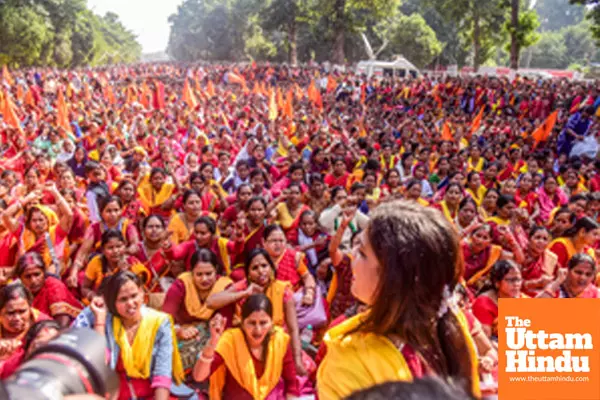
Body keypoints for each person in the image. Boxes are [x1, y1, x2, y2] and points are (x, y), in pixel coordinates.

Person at [317, 201, 480, 399]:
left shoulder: (350, 356)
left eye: (362, 253)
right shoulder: (453, 324)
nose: (352, 257)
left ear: (393, 278)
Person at [72, 271, 185, 400]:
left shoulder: (159, 323)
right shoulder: (108, 322)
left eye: (134, 296)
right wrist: (100, 320)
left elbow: (162, 373)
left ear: (142, 294)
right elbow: (101, 364)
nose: (131, 303)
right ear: (112, 303)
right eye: (123, 299)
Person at [193, 294, 300, 399]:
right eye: (252, 323)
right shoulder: (230, 341)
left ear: (271, 322)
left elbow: (291, 383)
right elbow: (199, 376)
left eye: (263, 323)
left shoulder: (279, 340)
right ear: (242, 322)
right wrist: (213, 342)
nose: (258, 330)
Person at [162, 249, 233, 371]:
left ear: (216, 270)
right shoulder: (182, 284)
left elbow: (226, 324)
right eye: (199, 274)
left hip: (211, 338)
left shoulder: (225, 287)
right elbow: (164, 320)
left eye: (209, 274)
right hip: (182, 334)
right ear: (191, 272)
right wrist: (179, 331)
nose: (204, 279)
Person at [14, 252, 82, 328]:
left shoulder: (54, 287)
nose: (33, 280)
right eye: (27, 276)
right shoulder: (20, 292)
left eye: (37, 274)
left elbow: (63, 324)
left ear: (44, 273)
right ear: (20, 278)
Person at [82, 229, 150, 303]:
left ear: (124, 246)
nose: (115, 251)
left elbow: (139, 289)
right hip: (102, 303)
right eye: (110, 248)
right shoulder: (97, 262)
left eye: (119, 246)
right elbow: (85, 287)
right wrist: (94, 296)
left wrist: (125, 273)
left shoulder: (132, 263)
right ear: (103, 250)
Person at [472, 260, 527, 340]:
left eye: (518, 280)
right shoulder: (484, 303)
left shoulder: (522, 298)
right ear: (497, 283)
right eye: (510, 280)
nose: (516, 284)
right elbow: (485, 340)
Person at [0, 283, 50, 360]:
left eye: (22, 311)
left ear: (30, 309)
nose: (17, 318)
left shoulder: (44, 325)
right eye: (11, 313)